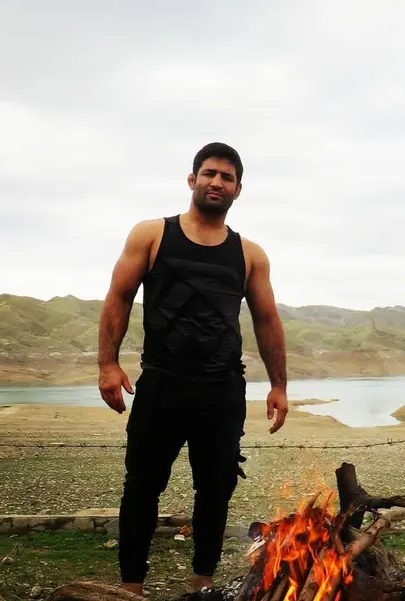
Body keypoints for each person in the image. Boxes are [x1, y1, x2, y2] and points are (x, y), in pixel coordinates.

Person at [97, 142, 288, 595]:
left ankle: (203, 584)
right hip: (162, 383)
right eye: (209, 173)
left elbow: (266, 320)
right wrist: (107, 363)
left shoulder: (249, 254)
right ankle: (131, 587)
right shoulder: (152, 235)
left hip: (222, 389)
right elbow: (119, 297)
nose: (216, 182)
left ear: (238, 189)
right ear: (192, 180)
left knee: (216, 490)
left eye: (227, 177)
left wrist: (279, 385)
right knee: (141, 487)